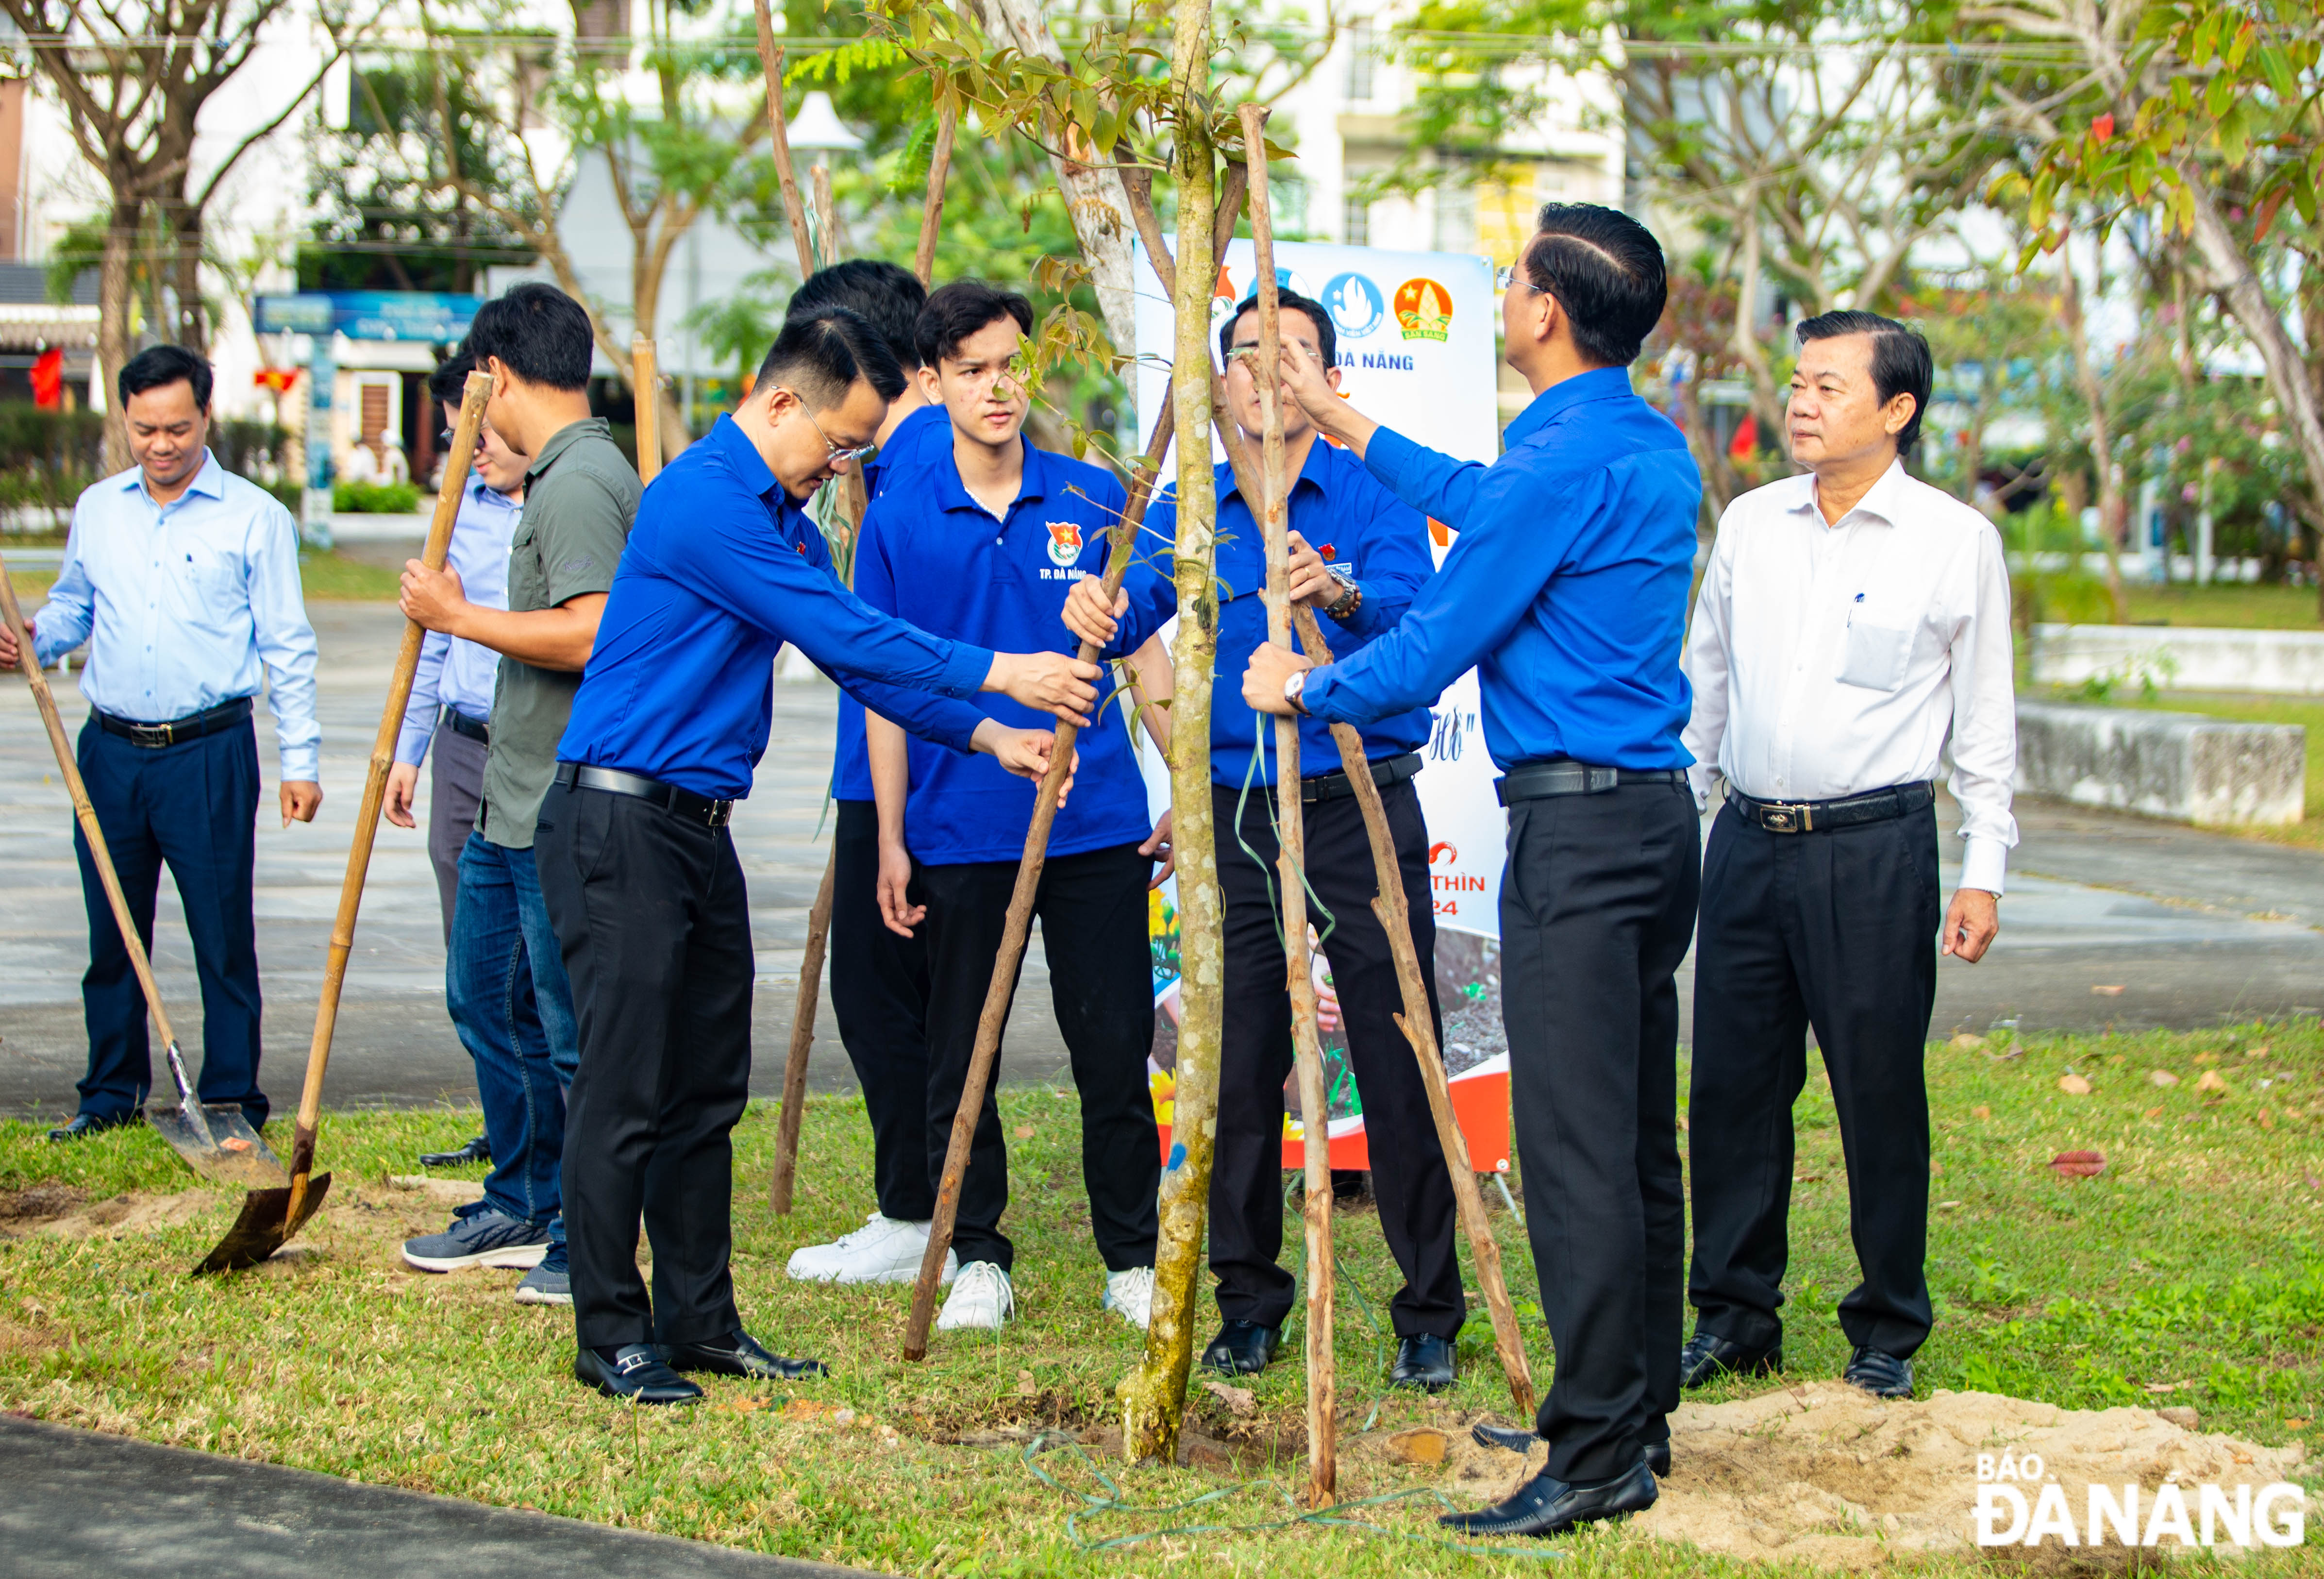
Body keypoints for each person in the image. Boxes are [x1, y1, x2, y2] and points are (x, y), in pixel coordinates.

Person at [540, 305, 1104, 1404]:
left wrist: (990, 737)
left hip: (697, 828)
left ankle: (699, 1321)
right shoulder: (707, 503)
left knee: (707, 1090)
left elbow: (867, 672)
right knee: (624, 1090)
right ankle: (610, 1330)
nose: (842, 467)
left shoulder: (784, 520)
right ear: (782, 402)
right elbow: (857, 635)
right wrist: (1005, 673)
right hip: (617, 825)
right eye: (839, 445)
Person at [1245, 203, 1700, 1539]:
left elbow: (1432, 641)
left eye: (1510, 278)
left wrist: (1302, 681)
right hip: (1647, 821)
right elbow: (1484, 506)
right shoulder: (1631, 439)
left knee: (1569, 1149)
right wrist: (1344, 421)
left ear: (1545, 311)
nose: (1501, 296)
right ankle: (1628, 1405)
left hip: (1580, 835)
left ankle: (1598, 1446)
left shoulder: (1557, 464)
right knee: (1629, 1140)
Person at [1062, 288, 1465, 1388]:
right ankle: (1250, 1302)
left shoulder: (1373, 488)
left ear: (1331, 378)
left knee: (1395, 1051)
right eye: (1245, 353)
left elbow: (1416, 621)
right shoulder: (1196, 506)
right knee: (1237, 1062)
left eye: (1292, 352)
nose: (1267, 371)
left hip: (1359, 803)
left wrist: (1333, 594)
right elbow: (1136, 601)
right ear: (1219, 381)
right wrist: (1097, 615)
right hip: (1239, 813)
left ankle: (1427, 1312)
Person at [1678, 310, 2015, 1404]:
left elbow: (1985, 725)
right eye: (1798, 383)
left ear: (1897, 410)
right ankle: (1735, 1316)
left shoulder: (1954, 541)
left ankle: (1886, 1330)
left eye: (1831, 386)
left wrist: (1984, 867)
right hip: (1747, 840)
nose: (1803, 404)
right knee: (1732, 1088)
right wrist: (1686, 825)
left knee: (1877, 1090)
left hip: (1874, 851)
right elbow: (1706, 685)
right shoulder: (1751, 524)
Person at [856, 281, 1162, 1336]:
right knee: (963, 1054)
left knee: (1114, 1050)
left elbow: (1146, 654)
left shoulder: (1087, 498)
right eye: (974, 369)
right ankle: (979, 1253)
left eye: (1012, 366)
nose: (999, 389)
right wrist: (891, 836)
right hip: (958, 824)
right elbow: (886, 693)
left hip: (1096, 826)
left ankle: (1132, 1258)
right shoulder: (899, 517)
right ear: (932, 381)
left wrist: (1172, 793)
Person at [3, 344, 321, 1142]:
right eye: (145, 429)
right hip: (109, 753)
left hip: (209, 754)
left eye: (178, 427)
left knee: (222, 936)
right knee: (111, 932)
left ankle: (231, 1103)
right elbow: (77, 609)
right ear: (127, 421)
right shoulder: (100, 509)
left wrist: (302, 764)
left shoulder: (255, 517)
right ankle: (108, 1095)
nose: (162, 445)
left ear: (206, 417)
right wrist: (34, 639)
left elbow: (288, 646)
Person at [392, 283, 637, 1306]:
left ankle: (587, 1238)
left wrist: (459, 612)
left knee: (569, 1029)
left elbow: (591, 633)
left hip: (557, 802)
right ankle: (526, 1193)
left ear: (497, 375)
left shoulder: (581, 482)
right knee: (484, 996)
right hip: (505, 792)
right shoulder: (550, 477)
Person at [774, 260, 965, 1288]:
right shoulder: (894, 461)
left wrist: (891, 823)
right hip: (901, 766)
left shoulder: (922, 456)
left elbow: (908, 646)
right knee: (894, 996)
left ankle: (918, 1213)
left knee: (887, 999)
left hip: (917, 774)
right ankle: (924, 1205)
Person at [385, 350, 529, 1173]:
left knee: (535, 955)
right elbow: (434, 641)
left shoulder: (573, 505)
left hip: (537, 750)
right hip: (463, 748)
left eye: (477, 434)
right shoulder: (457, 511)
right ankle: (498, 1116)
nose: (470, 451)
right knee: (470, 952)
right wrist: (410, 751)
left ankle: (543, 1127)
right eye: (455, 438)